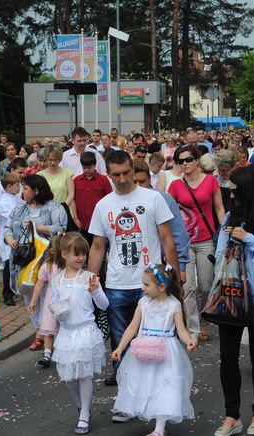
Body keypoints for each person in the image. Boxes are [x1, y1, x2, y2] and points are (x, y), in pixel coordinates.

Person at [87, 151, 180, 393]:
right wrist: (91, 278)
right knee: (120, 341)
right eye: (116, 174)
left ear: (133, 169)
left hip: (151, 285)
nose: (122, 178)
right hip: (117, 284)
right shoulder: (103, 205)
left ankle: (154, 393)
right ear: (108, 175)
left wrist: (173, 277)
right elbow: (98, 246)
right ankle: (126, 395)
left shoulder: (153, 198)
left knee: (153, 341)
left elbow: (167, 240)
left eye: (126, 172)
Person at [213, 166, 254, 436]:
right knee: (228, 356)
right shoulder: (229, 216)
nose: (231, 196)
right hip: (231, 295)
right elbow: (218, 253)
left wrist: (247, 238)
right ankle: (231, 415)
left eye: (236, 192)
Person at [111, 264, 196, 436]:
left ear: (161, 287)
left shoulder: (174, 305)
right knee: (145, 383)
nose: (143, 288)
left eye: (146, 285)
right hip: (144, 349)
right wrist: (120, 347)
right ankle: (153, 418)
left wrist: (189, 341)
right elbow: (132, 327)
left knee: (165, 386)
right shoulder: (143, 303)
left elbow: (181, 330)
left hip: (166, 350)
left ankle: (159, 428)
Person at [50, 232, 108, 434]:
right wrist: (57, 310)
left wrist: (95, 291)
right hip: (67, 333)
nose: (82, 258)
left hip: (85, 332)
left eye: (83, 254)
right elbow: (52, 305)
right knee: (68, 377)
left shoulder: (89, 277)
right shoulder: (57, 280)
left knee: (84, 375)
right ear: (64, 254)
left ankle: (84, 413)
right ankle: (82, 405)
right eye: (77, 254)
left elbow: (104, 304)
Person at [3, 175, 68, 350]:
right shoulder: (19, 208)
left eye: (25, 188)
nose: (21, 192)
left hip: (47, 260)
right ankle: (39, 331)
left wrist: (39, 228)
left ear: (36, 191)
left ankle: (51, 333)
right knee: (29, 296)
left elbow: (62, 230)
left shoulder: (55, 208)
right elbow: (7, 227)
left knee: (48, 297)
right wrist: (9, 239)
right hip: (24, 261)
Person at [168, 145, 225, 341]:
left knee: (207, 285)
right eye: (180, 161)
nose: (185, 164)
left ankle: (206, 320)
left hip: (206, 240)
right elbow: (169, 214)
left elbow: (219, 209)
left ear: (197, 160)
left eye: (188, 159)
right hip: (184, 244)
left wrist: (225, 234)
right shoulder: (175, 186)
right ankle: (193, 329)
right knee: (189, 286)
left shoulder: (210, 181)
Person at [133, 159, 190, 279]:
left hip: (161, 264)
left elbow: (178, 233)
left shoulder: (164, 199)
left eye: (142, 181)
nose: (138, 186)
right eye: (134, 182)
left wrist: (181, 266)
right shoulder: (122, 201)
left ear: (149, 179)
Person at [0, 173, 23, 305]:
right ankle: (7, 294)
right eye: (16, 185)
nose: (19, 187)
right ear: (8, 187)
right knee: (9, 264)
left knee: (17, 262)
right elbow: (12, 216)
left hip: (18, 235)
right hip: (8, 236)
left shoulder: (16, 198)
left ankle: (16, 288)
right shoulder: (3, 201)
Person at [27, 236, 61, 368]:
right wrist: (34, 301)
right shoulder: (47, 266)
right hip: (51, 299)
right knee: (48, 326)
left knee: (62, 325)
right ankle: (47, 354)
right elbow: (39, 284)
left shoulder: (68, 265)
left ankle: (60, 351)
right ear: (52, 251)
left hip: (64, 297)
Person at [72, 152, 113, 243]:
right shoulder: (76, 180)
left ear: (94, 165)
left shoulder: (103, 180)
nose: (87, 170)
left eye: (89, 167)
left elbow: (109, 199)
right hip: (81, 222)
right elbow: (73, 200)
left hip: (98, 222)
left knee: (98, 245)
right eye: (84, 168)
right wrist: (75, 218)